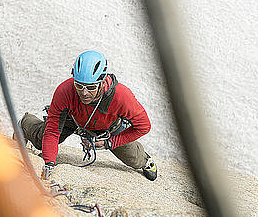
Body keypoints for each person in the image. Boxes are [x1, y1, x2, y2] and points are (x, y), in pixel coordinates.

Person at [16, 50, 157, 181]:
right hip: (73, 120)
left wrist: (110, 143)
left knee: (133, 159)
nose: (84, 93)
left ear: (102, 81)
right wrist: (49, 163)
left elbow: (144, 126)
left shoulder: (121, 96)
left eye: (90, 87)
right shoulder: (65, 91)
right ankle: (26, 122)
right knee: (41, 141)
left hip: (109, 128)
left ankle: (146, 161)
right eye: (79, 85)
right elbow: (52, 130)